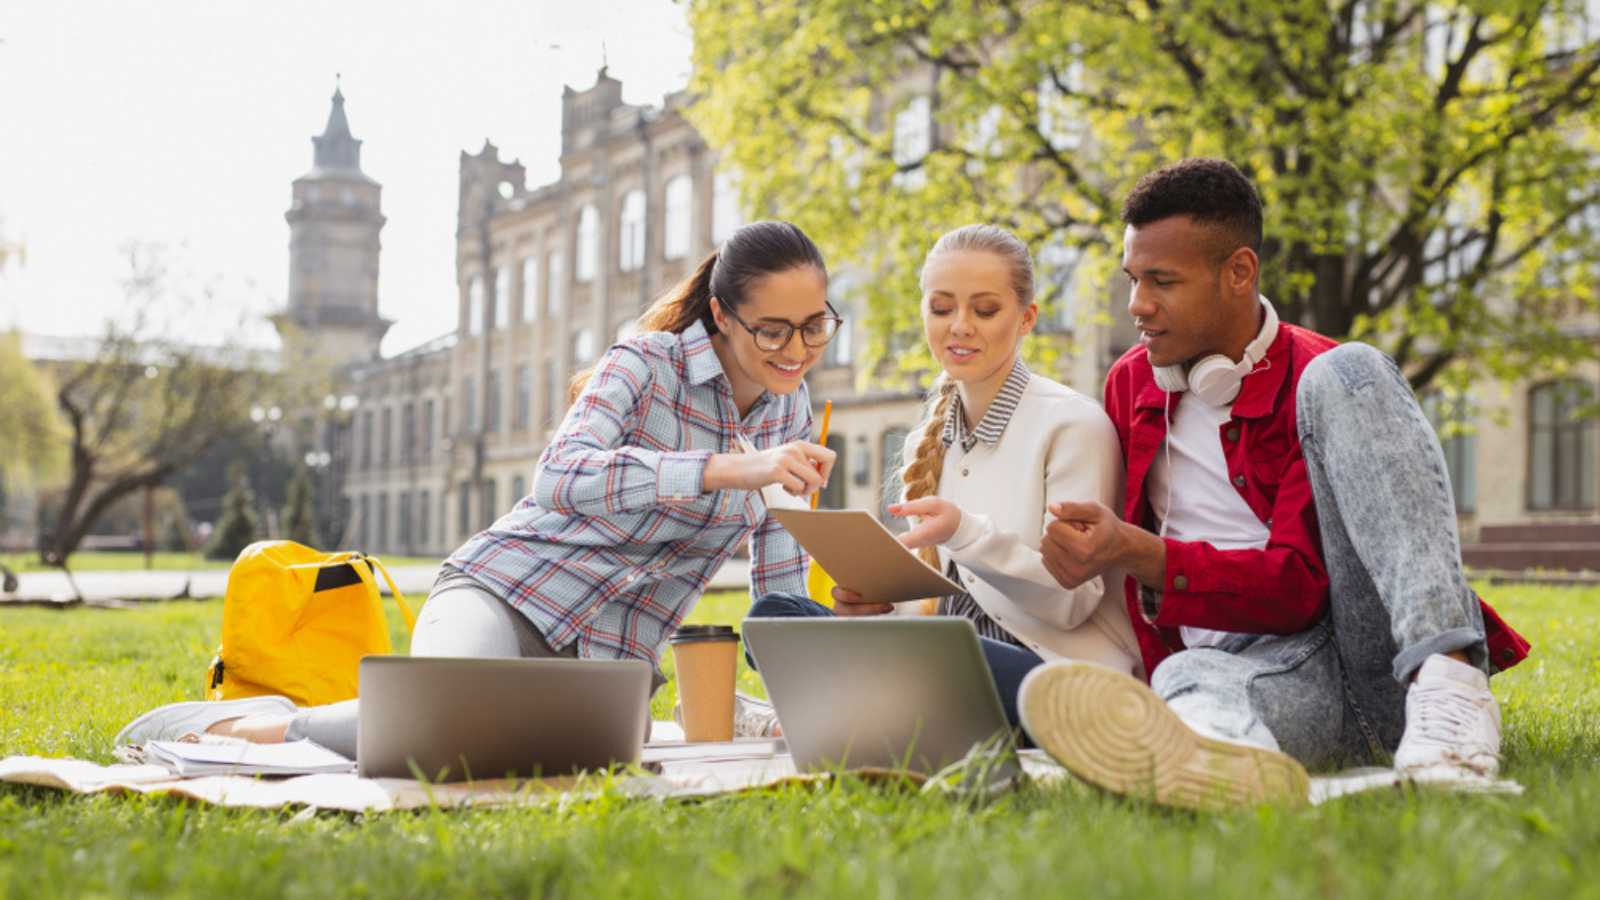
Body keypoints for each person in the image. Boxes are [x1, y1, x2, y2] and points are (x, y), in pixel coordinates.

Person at [115, 220, 844, 755]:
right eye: (773, 331)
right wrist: (724, 467)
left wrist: (801, 698)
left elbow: (778, 575)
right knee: (439, 728)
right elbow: (560, 476)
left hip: (612, 661)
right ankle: (229, 728)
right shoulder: (646, 362)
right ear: (722, 314)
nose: (799, 351)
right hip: (507, 591)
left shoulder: (792, 410)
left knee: (528, 761)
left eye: (816, 328)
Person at [1016, 159, 1530, 811]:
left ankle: (1451, 682)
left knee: (1356, 366)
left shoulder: (1319, 377)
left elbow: (1297, 593)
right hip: (1247, 677)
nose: (1137, 305)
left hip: (1363, 656)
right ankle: (1212, 757)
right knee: (1187, 679)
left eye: (1162, 281)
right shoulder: (1131, 383)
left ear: (1239, 273)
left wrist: (1137, 553)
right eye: (1133, 279)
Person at [745, 224, 1140, 732]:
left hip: (1055, 680)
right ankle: (867, 702)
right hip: (953, 656)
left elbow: (1070, 603)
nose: (960, 326)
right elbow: (935, 610)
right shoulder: (929, 440)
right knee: (772, 616)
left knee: (941, 658)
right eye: (941, 307)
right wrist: (875, 610)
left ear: (1027, 319)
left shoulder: (1072, 425)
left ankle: (826, 711)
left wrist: (965, 533)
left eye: (985, 309)